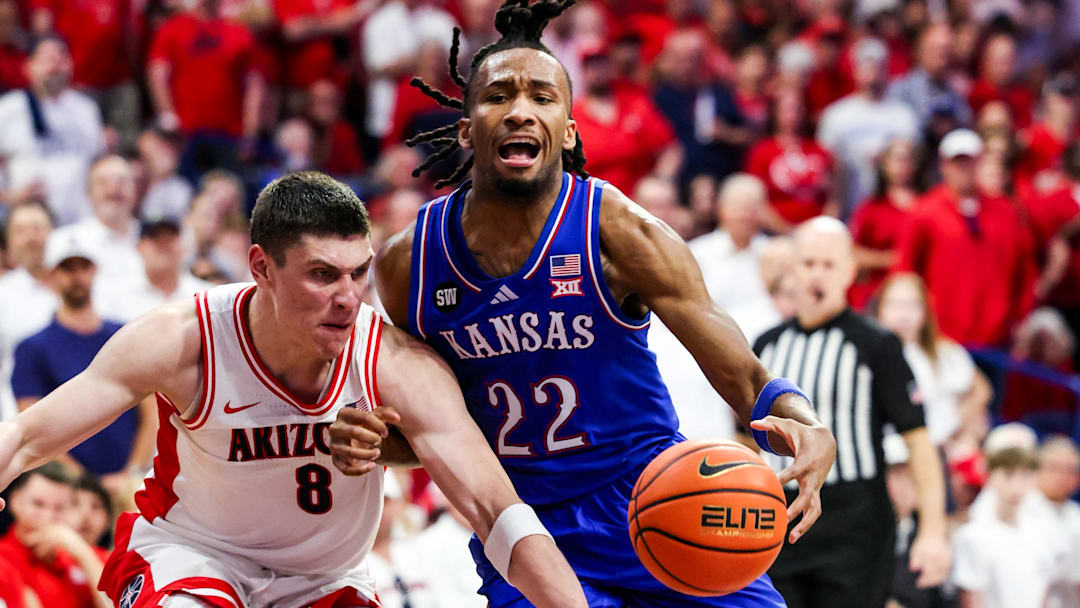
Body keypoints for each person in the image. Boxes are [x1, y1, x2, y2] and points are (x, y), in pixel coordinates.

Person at [335, 1, 838, 605]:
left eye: (543, 97)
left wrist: (810, 427)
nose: (521, 109)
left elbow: (745, 374)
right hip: (522, 526)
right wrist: (370, 441)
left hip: (655, 500)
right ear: (468, 128)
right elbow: (435, 428)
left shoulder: (619, 232)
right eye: (498, 96)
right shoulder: (408, 264)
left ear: (568, 130)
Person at [0, 171, 586, 608]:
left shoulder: (393, 360)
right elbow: (27, 436)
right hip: (194, 557)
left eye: (359, 272)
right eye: (323, 274)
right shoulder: (184, 339)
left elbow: (496, 510)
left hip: (326, 580)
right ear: (261, 267)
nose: (349, 297)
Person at [752, 218, 950, 608]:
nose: (816, 275)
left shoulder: (876, 345)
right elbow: (746, 439)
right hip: (777, 518)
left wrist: (933, 531)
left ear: (849, 271)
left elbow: (919, 442)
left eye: (828, 265)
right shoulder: (766, 346)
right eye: (808, 263)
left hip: (856, 523)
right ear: (792, 269)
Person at [11, 230, 152, 480]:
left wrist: (130, 473)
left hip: (127, 483)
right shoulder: (32, 348)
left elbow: (151, 411)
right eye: (67, 268)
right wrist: (85, 483)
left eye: (83, 266)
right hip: (65, 485)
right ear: (51, 276)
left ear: (94, 270)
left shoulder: (126, 335)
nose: (77, 276)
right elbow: (28, 424)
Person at [894, 128, 1034, 347]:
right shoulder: (925, 212)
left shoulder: (1006, 213)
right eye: (956, 162)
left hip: (995, 339)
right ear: (943, 166)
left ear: (979, 163)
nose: (963, 169)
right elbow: (906, 269)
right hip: (940, 338)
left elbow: (1024, 270)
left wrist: (1021, 318)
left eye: (968, 162)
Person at [875, 273, 992, 449]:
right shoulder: (867, 353)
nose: (903, 314)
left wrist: (955, 423)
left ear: (925, 310)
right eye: (895, 305)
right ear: (880, 308)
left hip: (941, 446)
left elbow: (981, 390)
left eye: (911, 305)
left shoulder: (946, 352)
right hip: (890, 448)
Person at [0, 35, 105, 225]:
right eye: (47, 59)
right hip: (27, 221)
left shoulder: (87, 109)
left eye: (62, 59)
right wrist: (10, 197)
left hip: (78, 220)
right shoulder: (8, 109)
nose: (55, 66)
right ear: (28, 66)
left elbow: (97, 163)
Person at [816, 37, 919, 216]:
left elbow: (915, 164)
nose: (872, 70)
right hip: (847, 208)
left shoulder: (903, 116)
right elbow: (824, 167)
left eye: (878, 64)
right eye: (866, 64)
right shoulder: (835, 116)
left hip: (892, 213)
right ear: (854, 69)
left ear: (887, 69)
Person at [951, 448, 1062, 608]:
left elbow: (1044, 592)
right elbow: (972, 598)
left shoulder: (1044, 532)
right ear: (990, 477)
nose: (1016, 485)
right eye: (1008, 475)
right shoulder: (973, 535)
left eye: (1025, 476)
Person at [0, 462, 110, 608]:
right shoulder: (4, 560)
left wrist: (82, 553)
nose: (48, 516)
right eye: (38, 504)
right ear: (14, 501)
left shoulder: (90, 556)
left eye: (59, 508)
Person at [50, 154, 145, 305]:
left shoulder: (154, 239)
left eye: (122, 181)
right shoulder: (66, 239)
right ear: (88, 194)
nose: (113, 189)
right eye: (102, 182)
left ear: (135, 191)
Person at [0, 202, 57, 422]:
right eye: (20, 231)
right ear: (9, 244)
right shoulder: (3, 294)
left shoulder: (86, 286)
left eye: (37, 228)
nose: (31, 238)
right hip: (20, 421)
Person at [848, 137, 920, 310]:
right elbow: (853, 253)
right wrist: (891, 259)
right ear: (885, 164)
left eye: (907, 159)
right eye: (896, 159)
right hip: (878, 292)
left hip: (919, 292)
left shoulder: (927, 206)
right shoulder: (871, 209)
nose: (902, 165)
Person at [98, 216, 211, 323]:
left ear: (183, 246)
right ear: (139, 247)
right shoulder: (115, 295)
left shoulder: (206, 296)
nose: (163, 244)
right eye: (153, 237)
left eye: (170, 236)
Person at [1031, 436, 1080, 607]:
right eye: (1055, 468)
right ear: (1036, 470)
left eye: (1071, 470)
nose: (1063, 476)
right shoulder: (1020, 510)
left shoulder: (1075, 515)